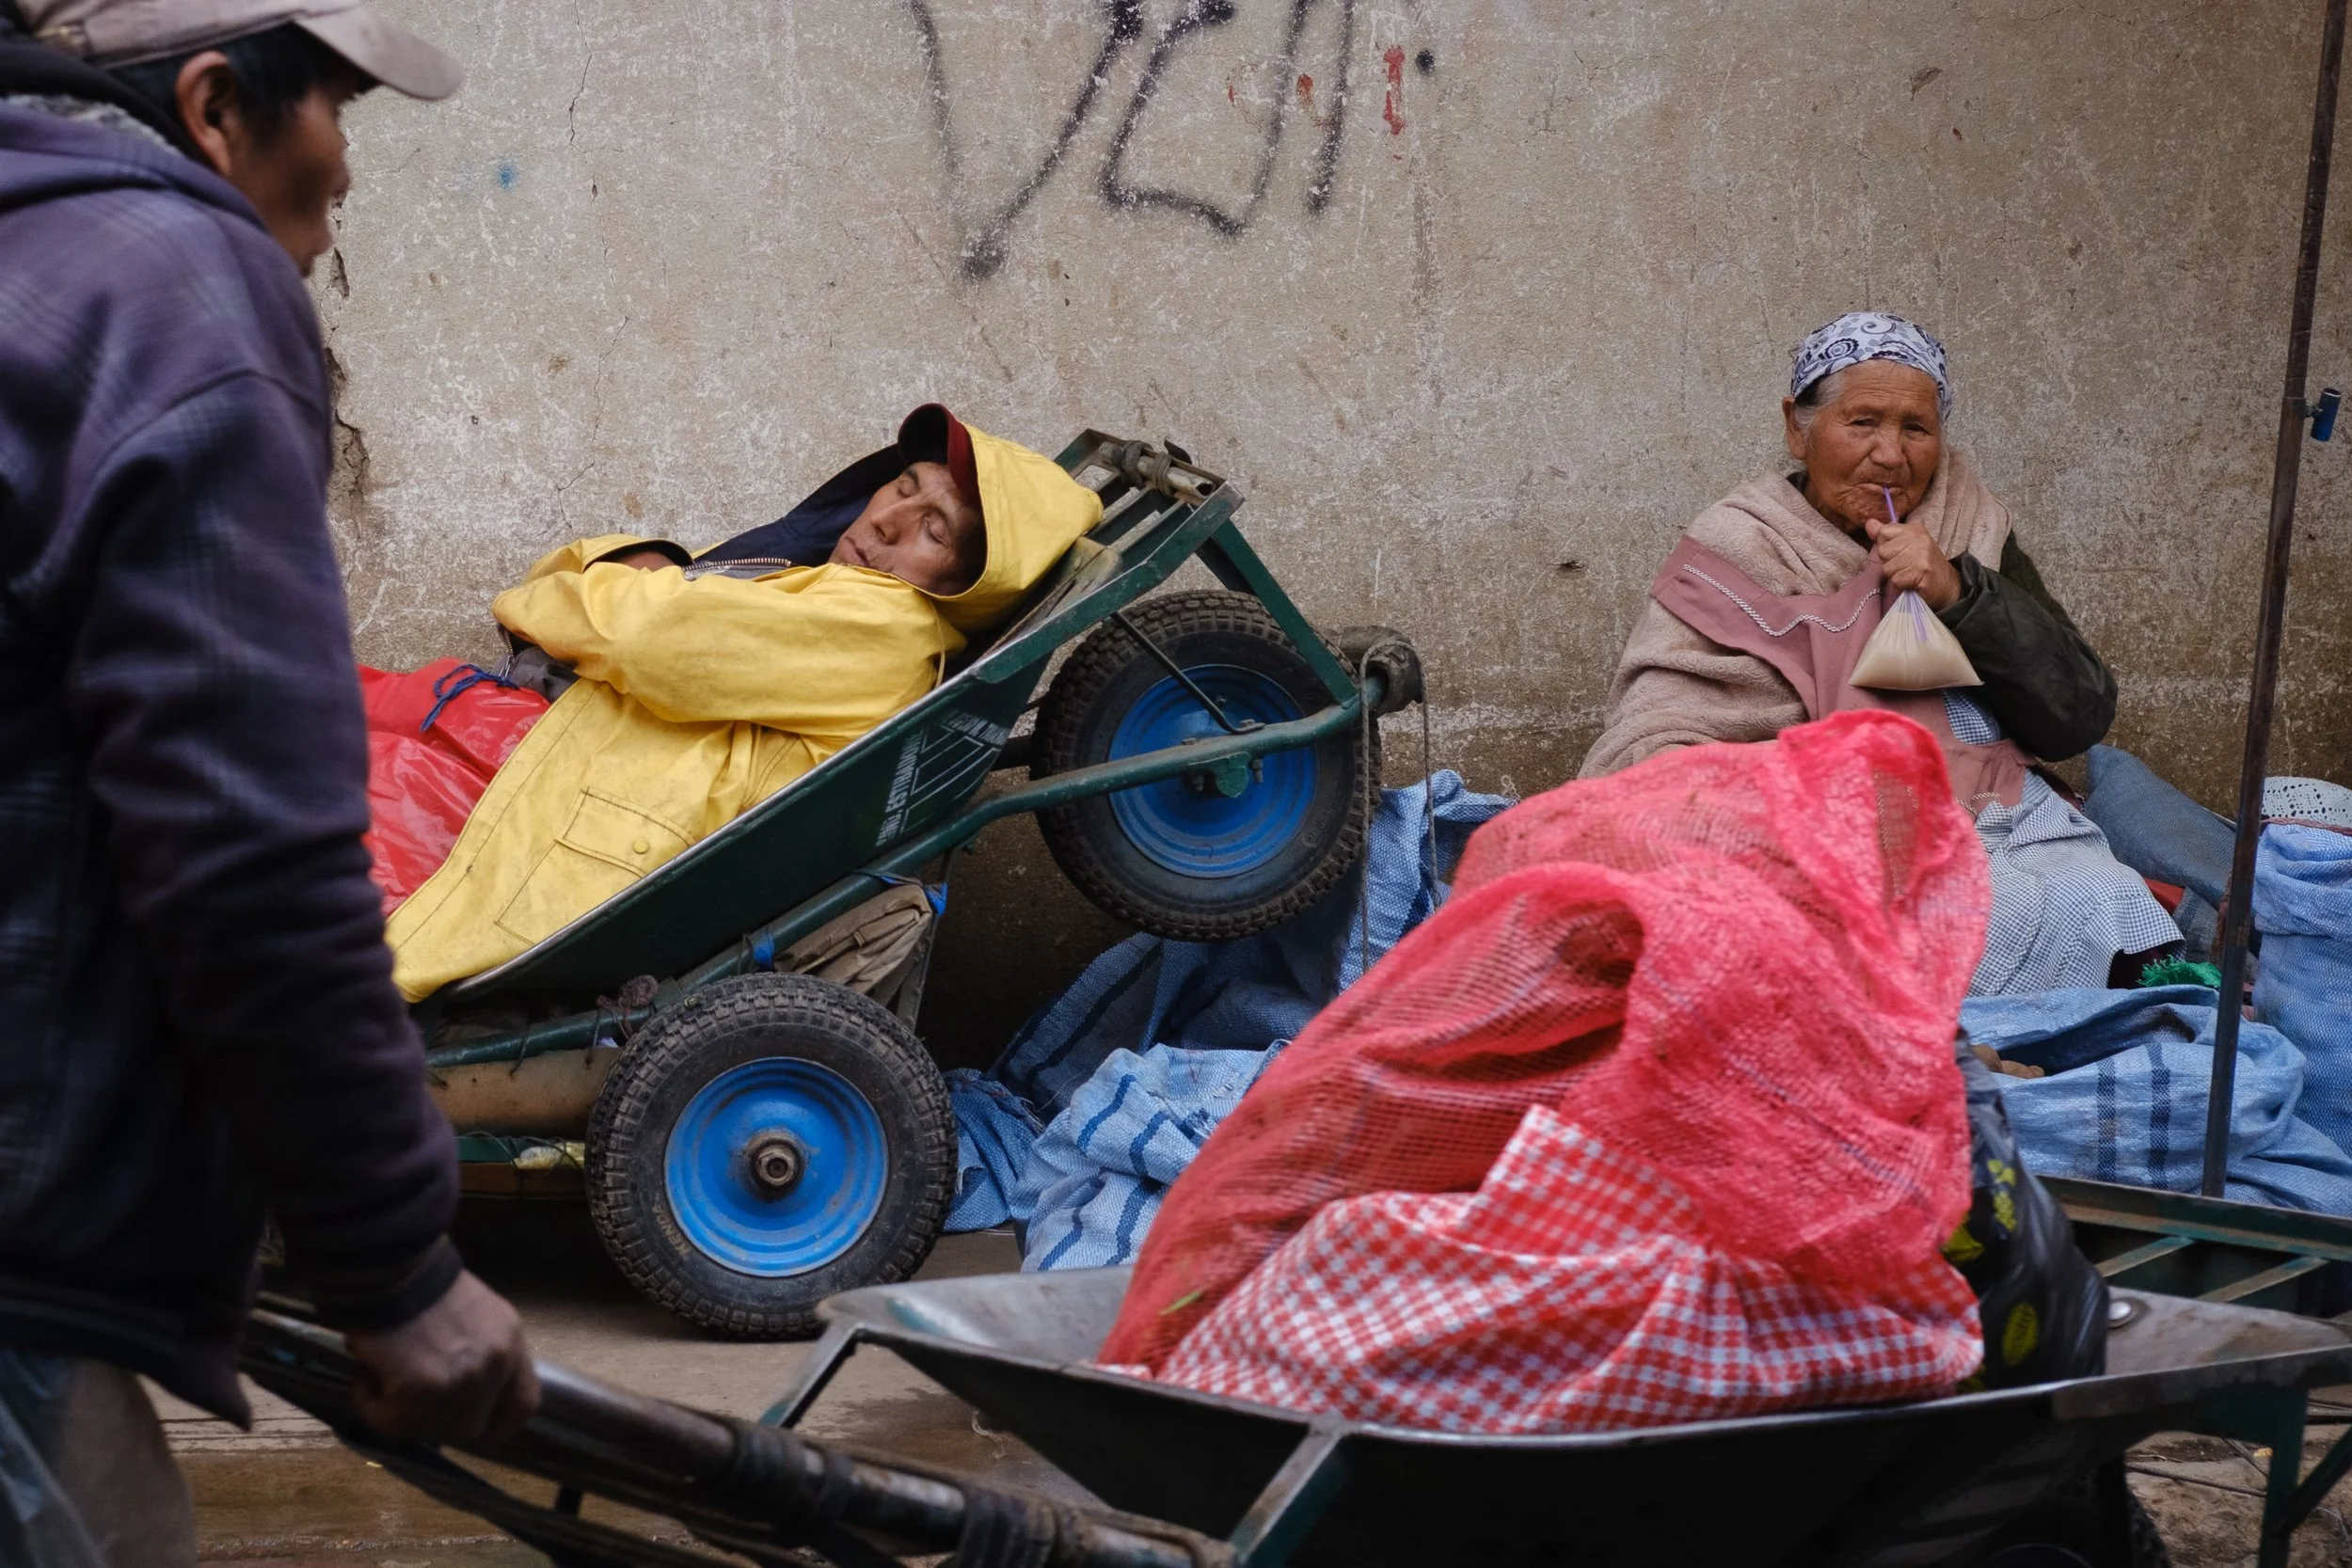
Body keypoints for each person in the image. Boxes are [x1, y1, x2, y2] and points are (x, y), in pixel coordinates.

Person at [0, 4, 538, 1561]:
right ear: (216, 104)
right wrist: (393, 1264)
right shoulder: (171, 288)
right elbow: (244, 853)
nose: (348, 172)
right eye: (338, 114)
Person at [379, 403, 1103, 1001]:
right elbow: (598, 595)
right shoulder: (809, 574)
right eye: (905, 485)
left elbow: (633, 633)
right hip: (518, 740)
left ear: (966, 585)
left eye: (935, 529)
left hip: (522, 790)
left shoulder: (886, 626)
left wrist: (618, 590)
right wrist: (636, 573)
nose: (890, 518)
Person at [1581, 312, 2180, 994]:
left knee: (2122, 924)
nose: (1891, 454)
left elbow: (2075, 715)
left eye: (1915, 428)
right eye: (1863, 422)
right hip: (1825, 843)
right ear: (1796, 428)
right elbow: (1660, 744)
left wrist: (1960, 592)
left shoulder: (1971, 526)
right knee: (1955, 924)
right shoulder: (1739, 548)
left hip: (2001, 815)